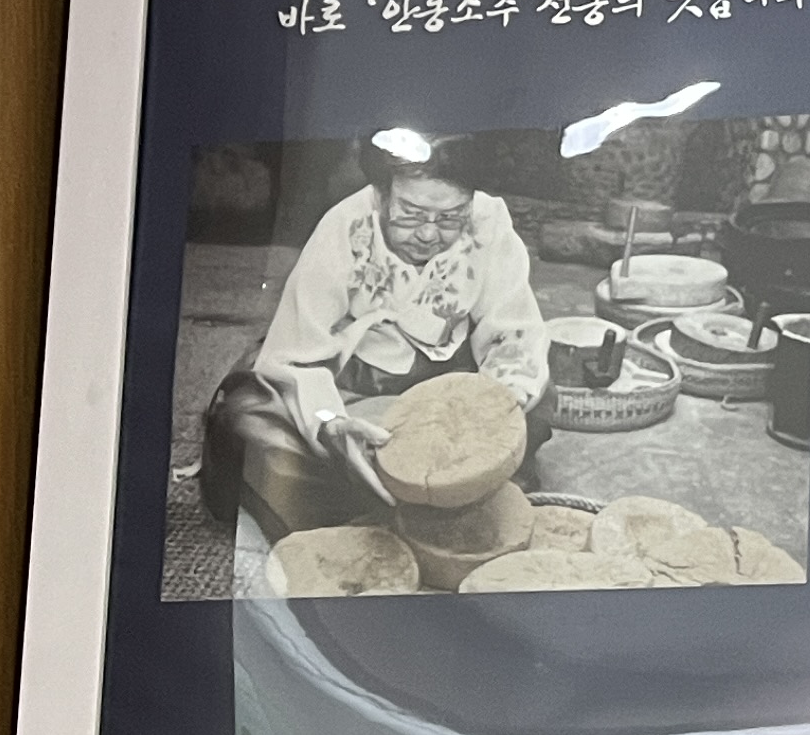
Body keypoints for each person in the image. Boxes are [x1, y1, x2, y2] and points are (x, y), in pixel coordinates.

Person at [203, 128, 551, 535]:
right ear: (381, 194)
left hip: (448, 378)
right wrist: (331, 423)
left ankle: (413, 494)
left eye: (450, 217)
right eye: (411, 213)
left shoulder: (489, 221)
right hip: (347, 378)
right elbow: (297, 355)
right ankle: (394, 497)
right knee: (243, 422)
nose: (428, 233)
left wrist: (486, 413)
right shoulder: (345, 225)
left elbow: (513, 333)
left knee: (532, 405)